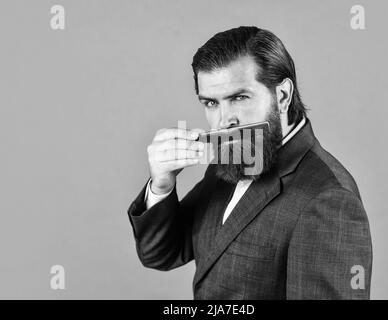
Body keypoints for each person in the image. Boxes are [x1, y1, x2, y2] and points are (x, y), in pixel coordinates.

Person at [127, 26, 372, 299]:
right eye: (210, 103)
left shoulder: (329, 198)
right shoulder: (230, 161)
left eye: (239, 98)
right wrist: (161, 185)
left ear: (282, 96)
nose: (224, 121)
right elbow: (160, 254)